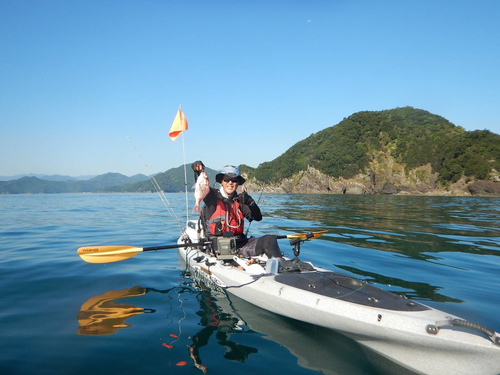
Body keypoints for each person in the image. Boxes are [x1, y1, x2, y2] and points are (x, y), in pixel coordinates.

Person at [192, 162, 282, 263]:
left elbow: (258, 217)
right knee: (224, 248)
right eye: (226, 179)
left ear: (238, 183)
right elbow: (201, 185)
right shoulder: (212, 196)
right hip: (216, 244)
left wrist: (251, 202)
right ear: (221, 181)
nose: (230, 182)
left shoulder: (241, 200)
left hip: (239, 244)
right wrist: (198, 169)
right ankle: (239, 264)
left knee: (269, 239)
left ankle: (280, 265)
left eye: (234, 180)